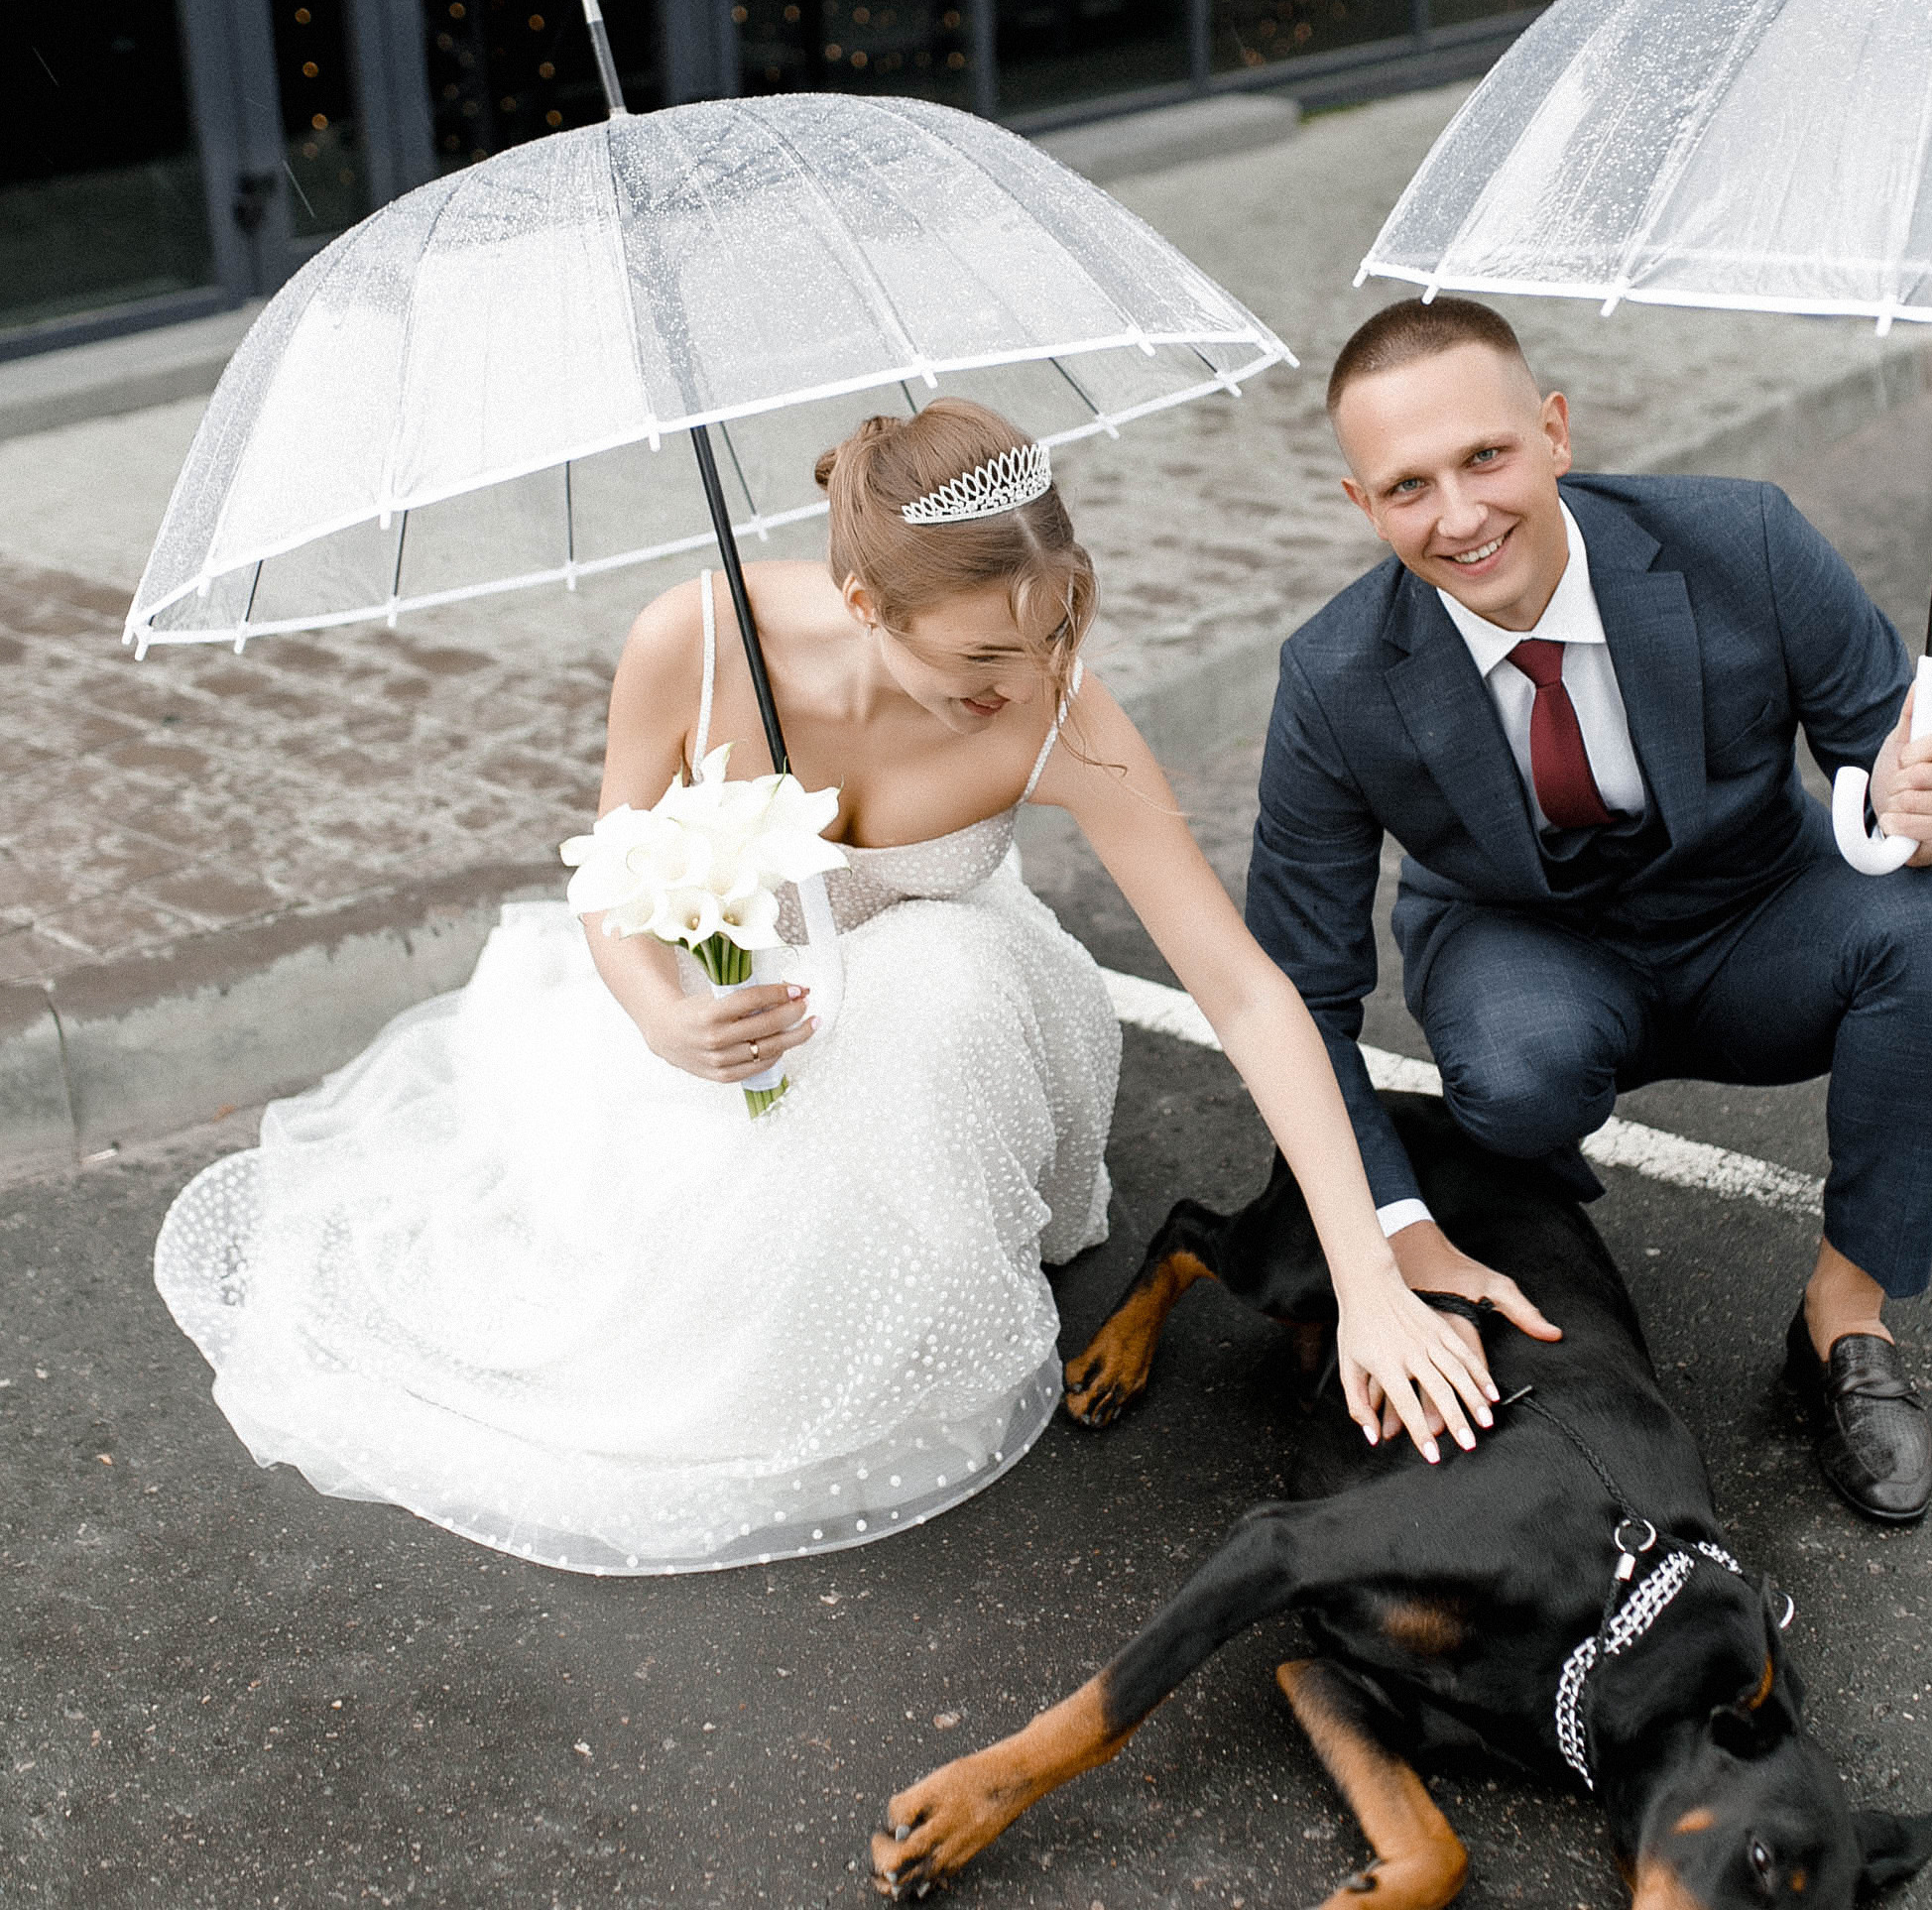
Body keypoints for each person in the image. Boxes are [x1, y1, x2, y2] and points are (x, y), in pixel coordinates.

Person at [155, 399, 1551, 1576]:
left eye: (1055, 631)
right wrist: (664, 1016)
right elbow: (608, 874)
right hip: (737, 1013)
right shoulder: (689, 644)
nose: (1034, 681)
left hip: (957, 1007)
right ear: (867, 603)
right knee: (661, 1307)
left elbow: (1244, 993)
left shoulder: (1058, 700)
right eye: (983, 658)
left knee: (935, 980)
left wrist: (1369, 1276)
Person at [1245, 297, 1932, 1528]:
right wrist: (1391, 1229)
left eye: (1484, 457)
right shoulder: (1333, 679)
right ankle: (1528, 1212)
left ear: (1552, 429)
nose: (1457, 516)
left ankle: (1840, 1320)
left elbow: (1896, 745)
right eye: (1405, 487)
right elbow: (1293, 987)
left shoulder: (1743, 538)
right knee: (1521, 1070)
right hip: (1521, 943)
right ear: (1358, 505)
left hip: (1756, 907)